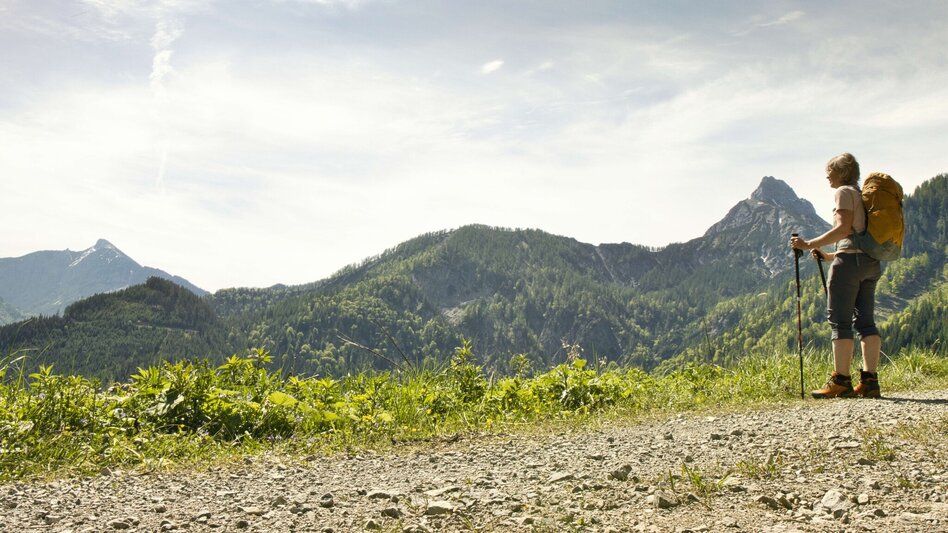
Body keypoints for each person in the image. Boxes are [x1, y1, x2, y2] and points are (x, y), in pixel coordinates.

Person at [789, 152, 882, 398]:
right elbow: (856, 236)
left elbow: (842, 229)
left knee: (840, 322)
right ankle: (870, 382)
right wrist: (829, 256)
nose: (827, 176)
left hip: (849, 265)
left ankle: (841, 381)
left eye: (830, 171)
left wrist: (808, 244)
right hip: (870, 263)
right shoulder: (862, 195)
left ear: (842, 172)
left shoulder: (843, 192)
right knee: (866, 323)